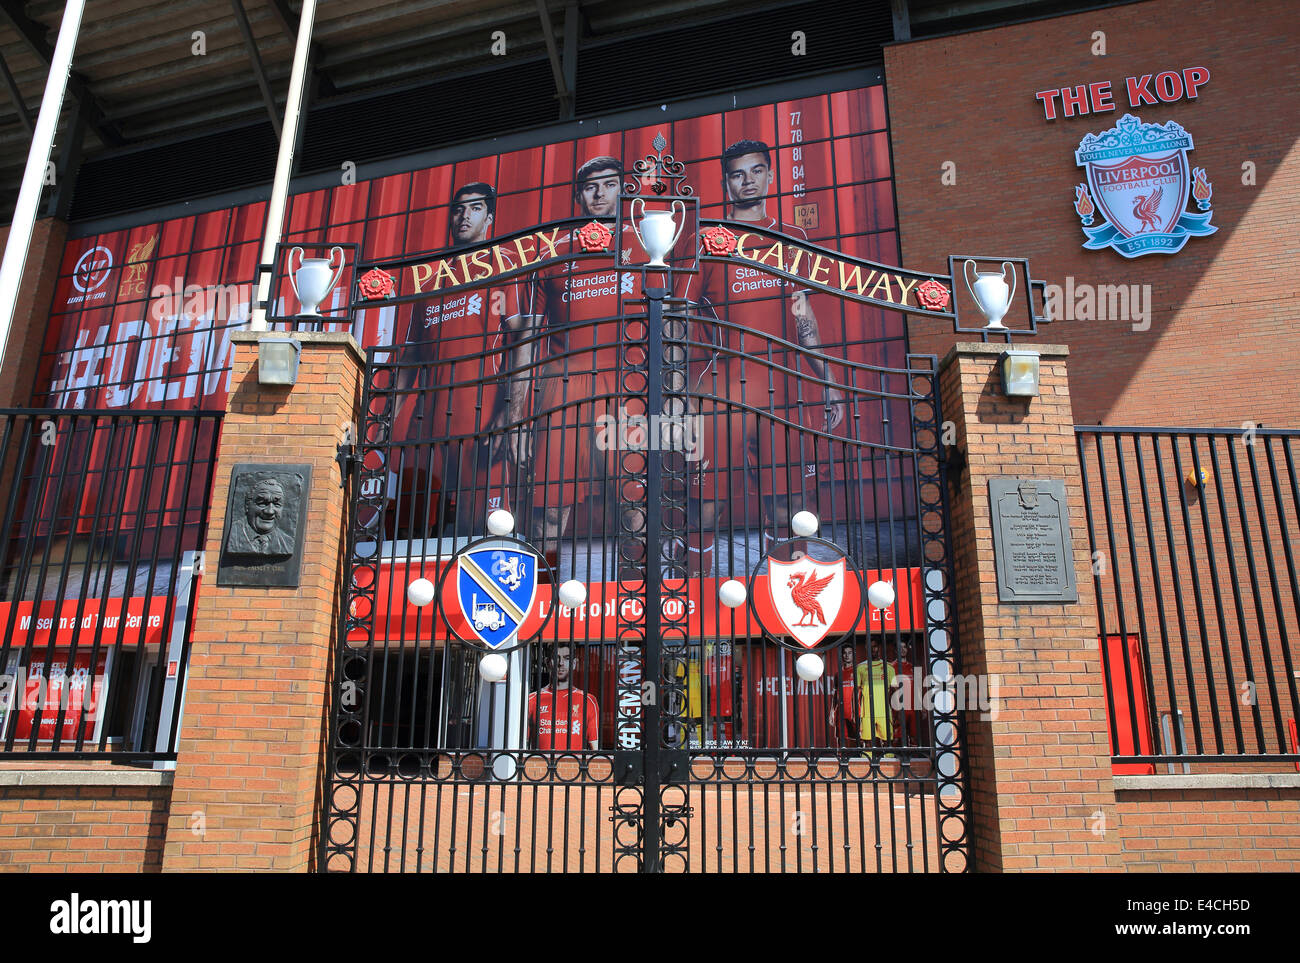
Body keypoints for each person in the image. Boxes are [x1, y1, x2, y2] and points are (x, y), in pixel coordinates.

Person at [687, 138, 846, 557]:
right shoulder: (707, 241)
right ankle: (685, 598)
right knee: (707, 504)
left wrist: (829, 382)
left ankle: (786, 591)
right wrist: (679, 393)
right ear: (727, 185)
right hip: (722, 392)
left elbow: (803, 318)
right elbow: (679, 319)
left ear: (771, 176)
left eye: (757, 171)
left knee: (788, 504)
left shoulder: (790, 238)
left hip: (784, 391)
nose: (749, 181)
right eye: (738, 174)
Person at [393, 182, 524, 534]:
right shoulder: (431, 276)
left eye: (476, 208)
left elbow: (520, 339)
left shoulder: (502, 263)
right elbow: (410, 357)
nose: (465, 215)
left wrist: (509, 415)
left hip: (480, 414)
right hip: (431, 419)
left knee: (482, 522)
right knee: (419, 524)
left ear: (490, 218)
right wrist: (386, 418)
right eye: (459, 208)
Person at [527, 643, 599, 750]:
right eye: (556, 658)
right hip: (541, 765)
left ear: (574, 663)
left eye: (567, 658)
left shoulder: (588, 700)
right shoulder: (531, 700)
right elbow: (522, 744)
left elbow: (595, 748)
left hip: (575, 765)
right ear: (547, 662)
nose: (560, 663)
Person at [226, 477, 295, 556]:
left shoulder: (287, 543)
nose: (270, 511)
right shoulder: (234, 533)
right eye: (262, 503)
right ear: (247, 505)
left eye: (276, 504)